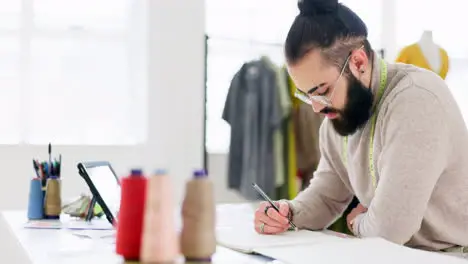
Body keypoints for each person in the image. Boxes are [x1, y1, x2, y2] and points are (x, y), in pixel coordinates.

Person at [253, 0, 468, 256]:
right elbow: (326, 196)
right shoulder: (341, 113)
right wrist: (290, 212)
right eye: (306, 96)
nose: (316, 108)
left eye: (322, 91)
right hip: (393, 255)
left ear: (358, 62)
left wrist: (357, 223)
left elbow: (390, 229)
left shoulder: (417, 100)